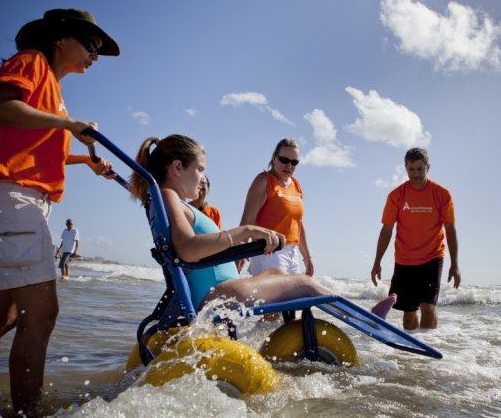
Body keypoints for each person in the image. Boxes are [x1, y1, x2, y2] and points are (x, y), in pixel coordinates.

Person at [0, 8, 119, 413]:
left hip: (15, 200)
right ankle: (28, 411)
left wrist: (85, 161)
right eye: (90, 45)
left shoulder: (55, 94)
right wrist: (67, 123)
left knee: (3, 317)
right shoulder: (32, 62)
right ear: (61, 40)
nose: (95, 55)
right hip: (13, 197)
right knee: (41, 315)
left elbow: (35, 146)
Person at [128, 134, 397, 317]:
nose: (202, 179)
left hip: (221, 287)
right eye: (199, 169)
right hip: (218, 295)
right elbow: (186, 249)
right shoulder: (168, 195)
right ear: (177, 167)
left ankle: (300, 335)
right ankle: (367, 318)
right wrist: (245, 232)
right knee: (304, 283)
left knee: (277, 273)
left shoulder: (169, 199)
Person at [370, 148, 461, 330]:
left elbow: (450, 229)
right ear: (405, 168)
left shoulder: (441, 194)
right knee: (409, 311)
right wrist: (377, 262)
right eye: (411, 169)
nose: (416, 174)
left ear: (428, 168)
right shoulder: (396, 195)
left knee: (427, 306)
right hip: (405, 259)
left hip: (432, 256)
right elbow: (386, 230)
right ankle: (413, 354)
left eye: (420, 169)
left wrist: (455, 264)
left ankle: (428, 351)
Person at [238, 139, 314, 277]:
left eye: (294, 162)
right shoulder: (264, 181)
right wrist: (240, 253)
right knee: (276, 297)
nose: (289, 166)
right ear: (274, 158)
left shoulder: (296, 185)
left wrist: (307, 258)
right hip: (268, 251)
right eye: (284, 160)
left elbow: (298, 224)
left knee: (295, 297)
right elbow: (247, 219)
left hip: (292, 252)